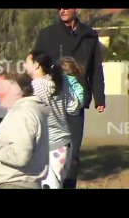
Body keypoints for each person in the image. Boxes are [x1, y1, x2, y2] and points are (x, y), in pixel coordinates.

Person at [32, 8, 106, 188]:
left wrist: (99, 97)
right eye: (59, 8)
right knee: (49, 152)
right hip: (52, 101)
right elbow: (34, 63)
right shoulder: (47, 34)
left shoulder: (89, 35)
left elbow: (96, 68)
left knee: (72, 154)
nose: (62, 10)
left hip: (76, 102)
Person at [0, 73, 50, 189]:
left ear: (16, 89)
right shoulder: (25, 110)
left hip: (16, 184)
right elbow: (21, 141)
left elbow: (20, 156)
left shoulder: (23, 113)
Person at [24, 52, 80, 188]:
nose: (24, 66)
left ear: (36, 65)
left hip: (50, 146)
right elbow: (73, 107)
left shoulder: (35, 86)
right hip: (64, 143)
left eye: (27, 62)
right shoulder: (59, 83)